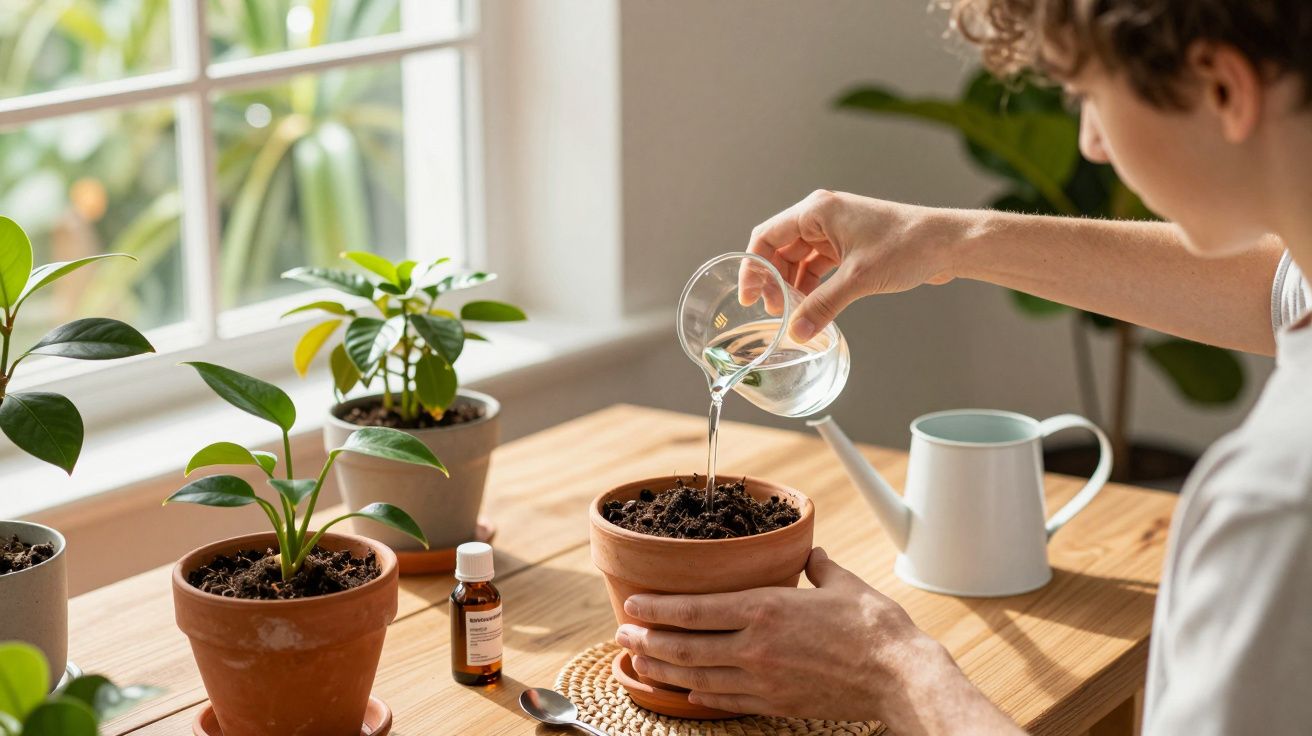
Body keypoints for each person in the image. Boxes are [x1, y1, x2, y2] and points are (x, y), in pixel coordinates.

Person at [613, 1, 1312, 733]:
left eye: (1088, 95)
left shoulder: (1277, 507)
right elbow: (1277, 288)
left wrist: (891, 672)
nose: (1092, 143)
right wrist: (950, 239)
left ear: (1223, 87)